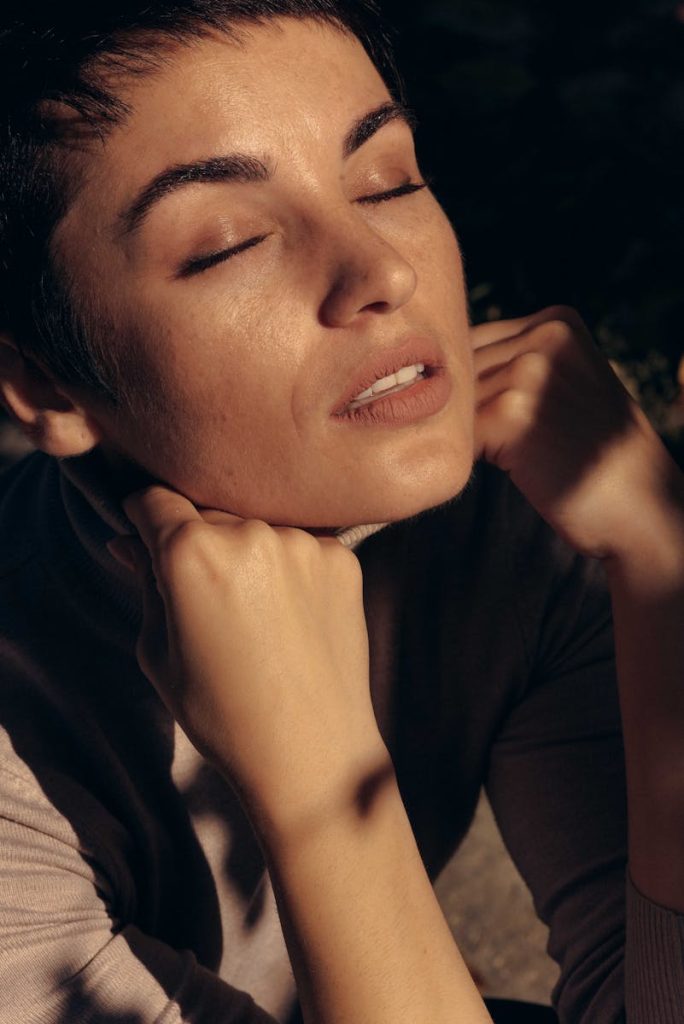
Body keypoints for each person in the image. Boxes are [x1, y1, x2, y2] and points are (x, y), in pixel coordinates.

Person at [0, 2, 682, 1022]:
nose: (385, 271)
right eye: (230, 243)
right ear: (48, 385)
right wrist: (322, 789)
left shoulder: (531, 509)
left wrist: (659, 557)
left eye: (388, 179)